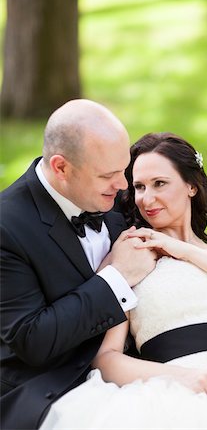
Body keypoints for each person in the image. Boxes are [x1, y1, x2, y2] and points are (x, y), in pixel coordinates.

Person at [39, 132, 207, 430]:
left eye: (159, 184)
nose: (146, 199)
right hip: (169, 390)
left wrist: (184, 250)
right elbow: (107, 358)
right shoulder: (133, 257)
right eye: (139, 187)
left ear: (191, 185)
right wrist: (181, 378)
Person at [0, 100, 157, 430]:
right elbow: (33, 340)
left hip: (140, 368)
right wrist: (116, 278)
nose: (125, 186)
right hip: (51, 387)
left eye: (124, 169)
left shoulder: (116, 194)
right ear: (61, 168)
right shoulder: (7, 227)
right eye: (109, 175)